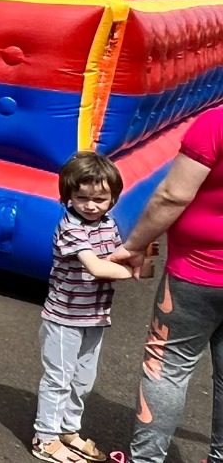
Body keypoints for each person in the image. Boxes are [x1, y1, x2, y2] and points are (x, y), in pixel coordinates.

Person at [109, 106, 223, 462]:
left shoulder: (216, 123)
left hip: (199, 272)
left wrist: (135, 244)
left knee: (168, 367)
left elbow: (172, 195)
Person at [28, 152, 132, 463]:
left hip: (95, 315)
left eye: (99, 199)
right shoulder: (71, 227)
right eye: (81, 198)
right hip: (64, 317)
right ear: (68, 197)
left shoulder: (108, 223)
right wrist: (135, 271)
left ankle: (68, 429)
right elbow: (97, 267)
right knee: (58, 378)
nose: (90, 205)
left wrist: (136, 253)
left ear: (112, 198)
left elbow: (116, 255)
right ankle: (45, 437)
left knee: (83, 380)